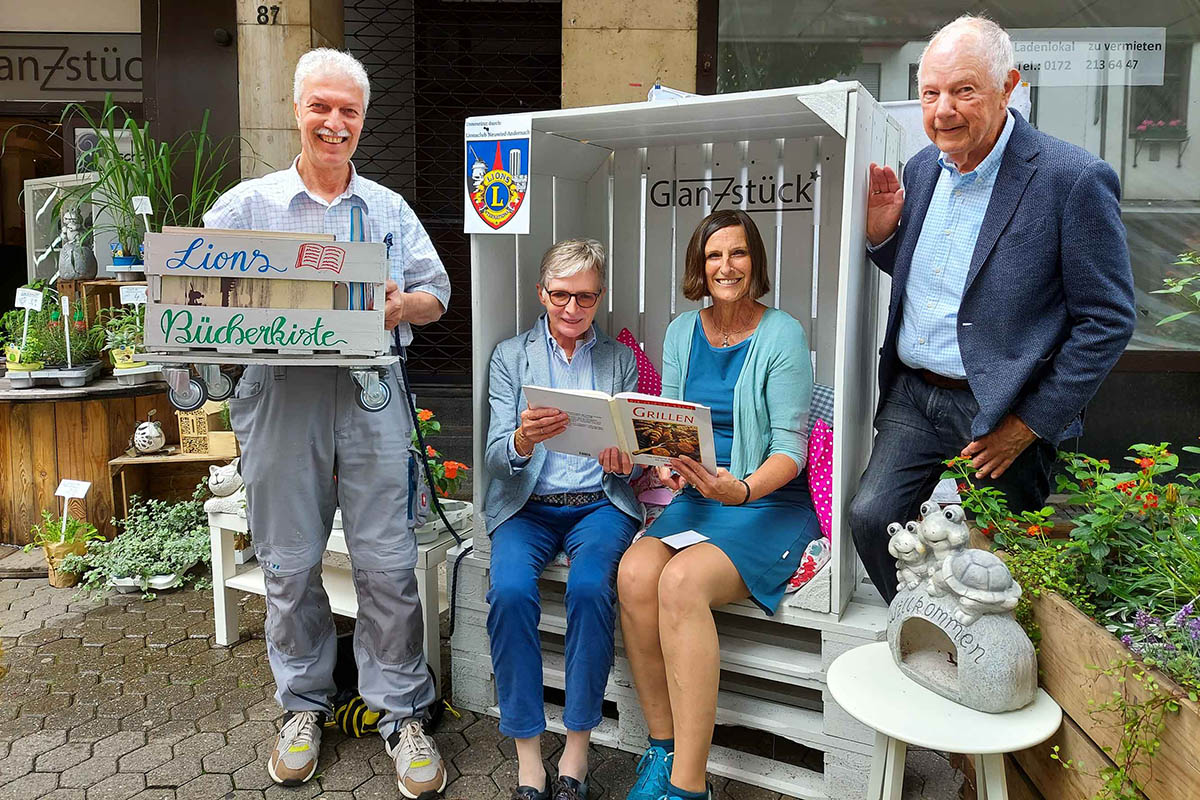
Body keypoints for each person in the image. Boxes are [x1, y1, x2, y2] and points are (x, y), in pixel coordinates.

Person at [203, 48, 452, 798]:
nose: (334, 123)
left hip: (371, 395)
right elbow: (192, 288)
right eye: (322, 107)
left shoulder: (385, 209)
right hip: (281, 399)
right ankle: (303, 707)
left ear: (362, 121)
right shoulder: (247, 207)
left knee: (385, 562)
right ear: (298, 111)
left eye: (348, 111)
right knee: (287, 561)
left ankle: (402, 711)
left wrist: (397, 306)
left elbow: (436, 292)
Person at [849, 15, 1136, 603]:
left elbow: (1108, 320)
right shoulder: (922, 168)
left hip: (1003, 405)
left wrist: (1027, 425)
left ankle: (991, 659)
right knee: (874, 520)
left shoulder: (1072, 179)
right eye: (930, 93)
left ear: (1008, 86)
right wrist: (884, 240)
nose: (943, 110)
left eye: (964, 90)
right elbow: (944, 280)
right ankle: (930, 627)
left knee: (1005, 555)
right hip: (914, 391)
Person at [616, 210, 822, 800]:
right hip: (701, 496)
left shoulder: (782, 334)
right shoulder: (682, 331)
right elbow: (672, 426)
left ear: (754, 262)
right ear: (698, 267)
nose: (725, 267)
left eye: (737, 254)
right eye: (713, 256)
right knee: (633, 573)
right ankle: (662, 748)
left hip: (765, 502)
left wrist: (745, 488)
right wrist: (662, 460)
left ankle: (689, 786)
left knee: (680, 582)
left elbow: (790, 450)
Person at [483, 238, 643, 800]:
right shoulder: (511, 356)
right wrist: (523, 439)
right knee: (508, 593)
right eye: (561, 295)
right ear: (541, 293)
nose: (573, 308)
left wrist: (626, 456)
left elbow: (636, 450)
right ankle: (528, 752)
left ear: (600, 298)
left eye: (586, 297)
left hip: (597, 505)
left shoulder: (617, 359)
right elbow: (495, 460)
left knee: (592, 588)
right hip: (527, 508)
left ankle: (577, 744)